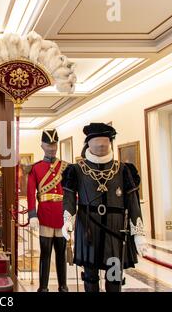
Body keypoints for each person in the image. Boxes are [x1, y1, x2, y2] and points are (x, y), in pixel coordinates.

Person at [61, 123, 148, 292]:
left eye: (105, 142)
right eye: (96, 142)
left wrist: (138, 233)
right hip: (88, 229)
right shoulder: (76, 170)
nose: (101, 145)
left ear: (110, 143)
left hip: (115, 232)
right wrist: (67, 220)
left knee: (114, 276)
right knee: (90, 277)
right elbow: (69, 199)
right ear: (89, 144)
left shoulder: (123, 170)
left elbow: (133, 202)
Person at [27, 129, 69, 292]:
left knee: (61, 253)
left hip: (61, 214)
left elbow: (71, 193)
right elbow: (31, 193)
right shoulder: (35, 168)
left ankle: (63, 286)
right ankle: (43, 287)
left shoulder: (65, 167)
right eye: (48, 144)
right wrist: (32, 214)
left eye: (54, 144)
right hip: (45, 215)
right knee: (45, 253)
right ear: (42, 145)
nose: (52, 148)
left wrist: (70, 215)